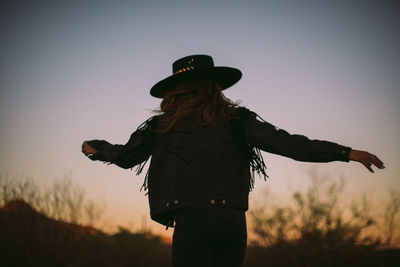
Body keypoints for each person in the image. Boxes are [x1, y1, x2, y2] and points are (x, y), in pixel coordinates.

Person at [81, 54, 385, 267]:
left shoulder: (163, 125)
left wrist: (97, 148)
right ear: (215, 86)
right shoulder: (238, 119)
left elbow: (124, 157)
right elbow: (289, 144)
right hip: (232, 223)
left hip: (193, 223)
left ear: (176, 90)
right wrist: (346, 153)